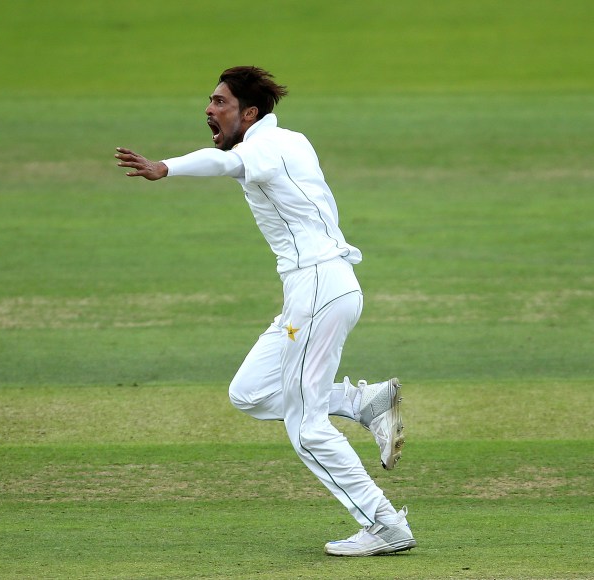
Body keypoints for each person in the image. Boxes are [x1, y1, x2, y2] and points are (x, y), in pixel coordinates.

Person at [115, 66, 415, 557]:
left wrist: (165, 167)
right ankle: (365, 403)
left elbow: (224, 165)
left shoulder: (263, 149)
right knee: (250, 392)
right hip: (316, 291)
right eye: (209, 102)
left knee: (306, 424)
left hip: (318, 288)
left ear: (249, 113)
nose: (209, 110)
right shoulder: (292, 140)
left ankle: (384, 523)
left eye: (220, 102)